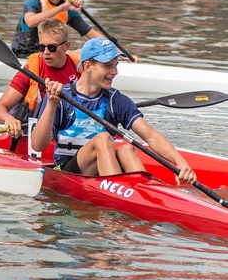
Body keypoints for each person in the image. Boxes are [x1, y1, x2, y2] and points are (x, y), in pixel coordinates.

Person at [31, 37, 196, 184]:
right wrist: (52, 105)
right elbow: (38, 145)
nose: (114, 72)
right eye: (107, 66)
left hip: (100, 171)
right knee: (102, 138)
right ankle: (120, 198)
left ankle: (148, 193)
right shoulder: (61, 96)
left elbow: (151, 136)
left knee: (127, 149)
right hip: (65, 170)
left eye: (116, 65)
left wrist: (179, 162)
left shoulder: (115, 100)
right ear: (88, 66)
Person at [0, 18, 80, 139]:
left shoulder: (79, 68)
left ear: (66, 46)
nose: (46, 52)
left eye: (52, 47)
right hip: (36, 134)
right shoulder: (32, 69)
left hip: (72, 131)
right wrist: (9, 119)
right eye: (42, 47)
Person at [11, 0, 103, 58]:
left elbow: (92, 34)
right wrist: (62, 7)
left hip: (50, 57)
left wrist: (115, 50)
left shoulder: (68, 10)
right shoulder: (32, 3)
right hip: (26, 56)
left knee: (83, 53)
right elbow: (31, 22)